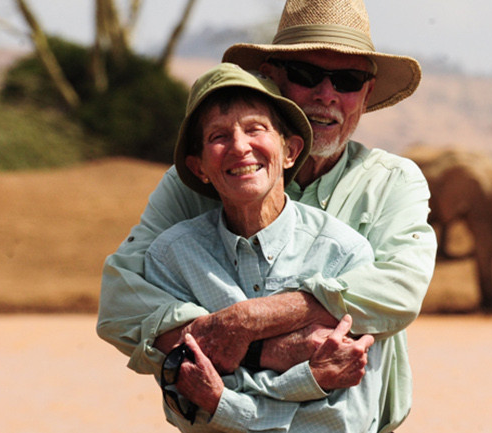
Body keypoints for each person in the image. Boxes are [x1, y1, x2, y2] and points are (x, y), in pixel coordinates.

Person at [96, 1, 436, 432]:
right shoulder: (195, 182)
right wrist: (267, 349)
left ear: (366, 96)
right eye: (307, 75)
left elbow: (399, 291)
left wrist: (248, 320)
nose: (326, 95)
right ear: (272, 78)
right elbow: (120, 303)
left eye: (348, 81)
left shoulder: (391, 183)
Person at [151, 62, 383, 432]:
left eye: (255, 129)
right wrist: (305, 373)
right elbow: (183, 403)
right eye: (218, 137)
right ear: (199, 169)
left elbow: (343, 420)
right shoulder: (173, 258)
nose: (240, 147)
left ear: (290, 151)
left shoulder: (344, 255)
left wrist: (222, 400)